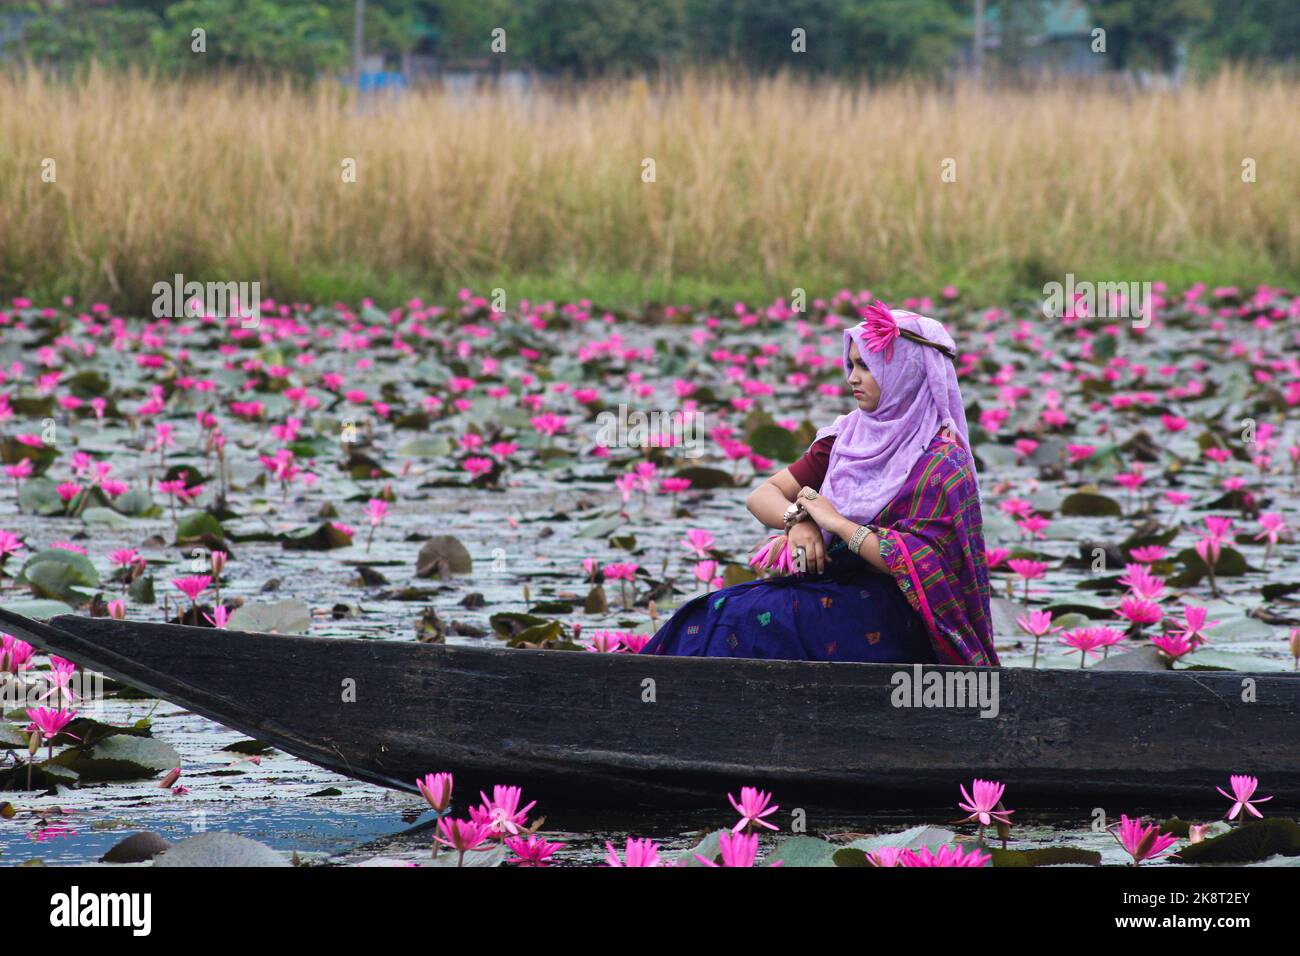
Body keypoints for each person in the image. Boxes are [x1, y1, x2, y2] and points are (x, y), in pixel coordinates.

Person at [639, 302, 997, 666]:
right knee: (715, 611)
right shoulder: (845, 439)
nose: (852, 378)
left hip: (897, 613)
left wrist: (838, 524)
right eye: (852, 364)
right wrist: (799, 519)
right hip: (830, 593)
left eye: (867, 367)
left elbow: (930, 564)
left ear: (906, 373)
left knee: (753, 623)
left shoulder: (942, 460)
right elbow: (763, 495)